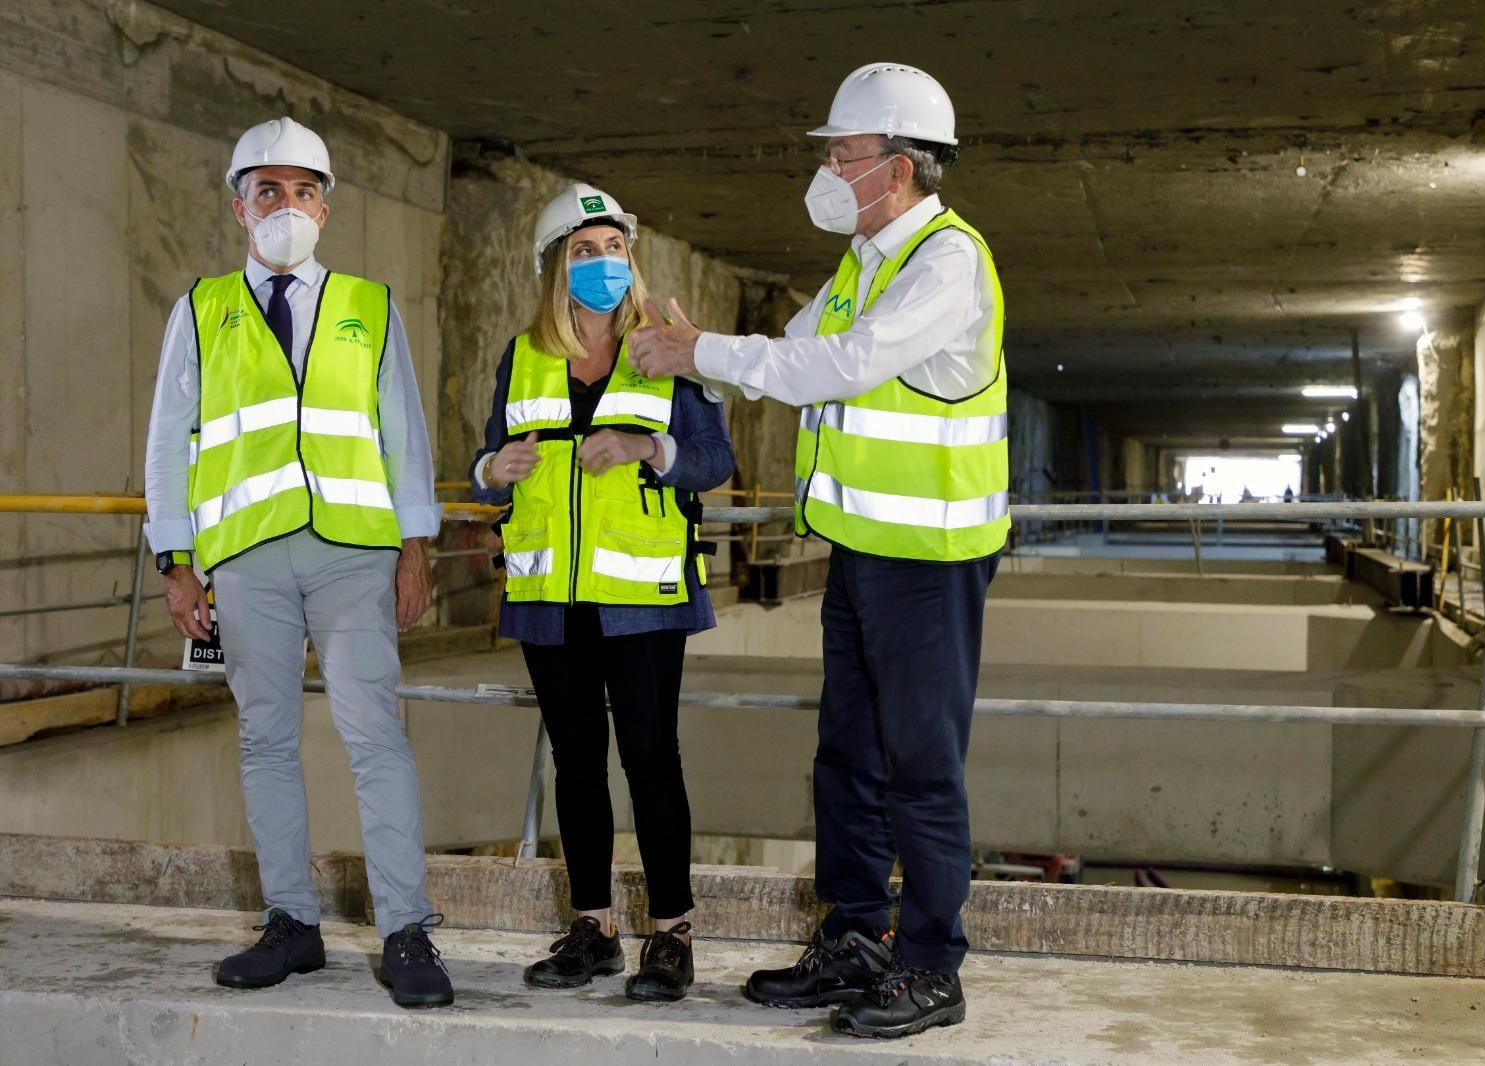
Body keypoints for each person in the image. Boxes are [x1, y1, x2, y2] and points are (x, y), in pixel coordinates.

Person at [632, 62, 1004, 1039]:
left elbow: (837, 366)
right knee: (849, 755)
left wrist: (703, 352)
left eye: (844, 154)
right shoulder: (864, 263)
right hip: (862, 551)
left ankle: (930, 964)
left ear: (899, 167)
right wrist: (697, 359)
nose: (829, 170)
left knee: (921, 765)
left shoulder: (946, 263)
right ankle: (854, 937)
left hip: (931, 558)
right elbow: (790, 354)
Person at [142, 116, 452, 1008]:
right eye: (268, 190)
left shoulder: (369, 305)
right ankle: (292, 924)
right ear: (238, 207)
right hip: (246, 560)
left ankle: (406, 930)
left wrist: (415, 549)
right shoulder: (201, 310)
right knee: (266, 741)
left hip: (354, 554)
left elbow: (402, 434)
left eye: (304, 190)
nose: (287, 204)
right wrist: (175, 562)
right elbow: (168, 443)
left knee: (375, 736)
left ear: (325, 207)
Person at [469, 184, 733, 1003]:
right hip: (549, 593)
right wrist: (491, 470)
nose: (603, 262)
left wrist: (648, 448)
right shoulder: (523, 354)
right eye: (585, 251)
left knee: (651, 759)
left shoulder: (665, 346)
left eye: (614, 248)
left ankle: (672, 934)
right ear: (555, 266)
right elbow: (489, 461)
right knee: (576, 763)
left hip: (642, 594)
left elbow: (714, 461)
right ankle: (595, 929)